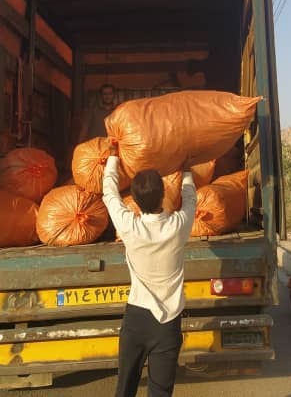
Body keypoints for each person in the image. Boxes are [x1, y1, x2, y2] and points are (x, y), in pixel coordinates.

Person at [102, 143, 196, 397]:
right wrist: (186, 172)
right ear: (164, 193)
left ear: (134, 199)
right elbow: (189, 200)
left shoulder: (130, 227)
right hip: (168, 324)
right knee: (160, 392)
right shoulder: (178, 226)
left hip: (136, 320)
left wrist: (113, 158)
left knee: (125, 388)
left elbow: (109, 195)